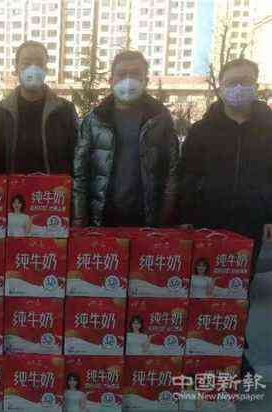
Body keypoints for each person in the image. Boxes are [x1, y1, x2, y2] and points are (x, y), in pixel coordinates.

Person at [179, 58, 272, 376]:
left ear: (256, 84)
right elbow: (187, 177)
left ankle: (235, 351)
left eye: (245, 81)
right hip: (209, 221)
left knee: (240, 290)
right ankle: (200, 351)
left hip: (251, 222)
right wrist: (186, 216)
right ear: (220, 87)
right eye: (231, 82)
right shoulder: (202, 130)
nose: (238, 88)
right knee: (204, 288)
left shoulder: (268, 128)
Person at [73, 50, 179, 227]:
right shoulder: (94, 120)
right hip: (102, 218)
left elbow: (172, 172)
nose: (128, 80)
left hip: (147, 219)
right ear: (111, 80)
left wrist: (165, 219)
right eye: (122, 74)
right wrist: (79, 220)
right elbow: (80, 174)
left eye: (135, 74)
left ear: (146, 80)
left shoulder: (160, 119)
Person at [0, 41, 78, 174]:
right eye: (26, 63)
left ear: (46, 69)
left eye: (39, 63)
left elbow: (76, 157)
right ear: (16, 69)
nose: (33, 68)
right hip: (11, 186)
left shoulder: (65, 110)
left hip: (53, 187)